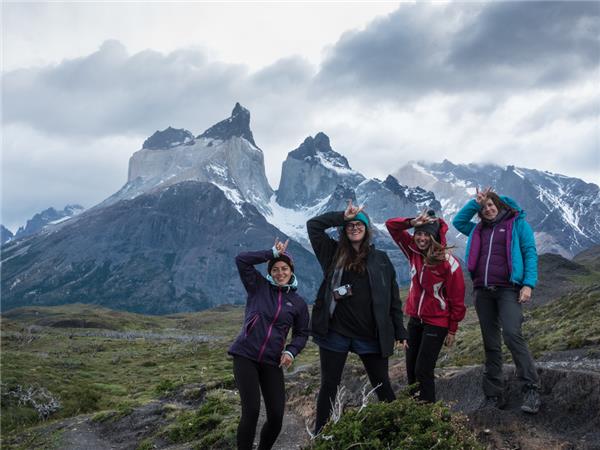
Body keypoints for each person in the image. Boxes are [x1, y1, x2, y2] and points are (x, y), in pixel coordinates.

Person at [307, 200, 408, 435]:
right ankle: (320, 434)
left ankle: (400, 432)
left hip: (370, 334)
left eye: (359, 224)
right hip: (336, 332)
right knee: (329, 385)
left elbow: (393, 298)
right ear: (344, 229)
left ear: (367, 229)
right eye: (350, 225)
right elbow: (313, 226)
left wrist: (400, 330)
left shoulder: (381, 259)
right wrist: (343, 216)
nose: (354, 227)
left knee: (382, 384)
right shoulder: (331, 253)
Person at [453, 187, 541, 414]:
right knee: (491, 344)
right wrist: (476, 203)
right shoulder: (477, 229)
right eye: (484, 208)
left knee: (512, 335)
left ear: (500, 205)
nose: (488, 209)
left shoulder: (517, 224)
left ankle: (531, 389)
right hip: (483, 291)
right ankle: (493, 394)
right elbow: (458, 221)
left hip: (508, 290)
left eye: (491, 205)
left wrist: (528, 284)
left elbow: (530, 252)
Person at [228, 238, 310, 450]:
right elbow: (241, 260)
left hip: (272, 361)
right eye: (275, 269)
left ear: (291, 271)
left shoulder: (298, 303)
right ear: (270, 272)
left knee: (276, 416)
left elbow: (302, 333)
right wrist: (271, 253)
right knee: (252, 411)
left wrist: (291, 351)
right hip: (245, 356)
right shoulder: (258, 287)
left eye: (284, 268)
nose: (280, 273)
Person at [385, 209, 466, 403]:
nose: (421, 238)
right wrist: (412, 222)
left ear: (434, 236)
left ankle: (429, 411)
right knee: (411, 369)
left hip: (437, 323)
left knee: (423, 369)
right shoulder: (413, 252)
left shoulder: (448, 263)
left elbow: (457, 299)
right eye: (418, 233)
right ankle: (415, 409)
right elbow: (391, 226)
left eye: (426, 234)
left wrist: (452, 329)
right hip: (415, 320)